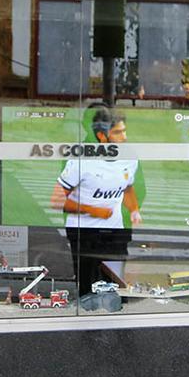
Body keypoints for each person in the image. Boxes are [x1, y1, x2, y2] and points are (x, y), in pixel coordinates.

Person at [51, 105, 141, 298]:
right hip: (84, 234)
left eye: (124, 131)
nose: (124, 137)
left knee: (116, 290)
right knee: (88, 291)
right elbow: (57, 201)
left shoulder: (129, 158)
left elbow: (128, 186)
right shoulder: (81, 159)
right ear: (102, 136)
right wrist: (93, 210)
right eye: (118, 132)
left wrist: (133, 209)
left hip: (115, 234)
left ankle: (115, 324)